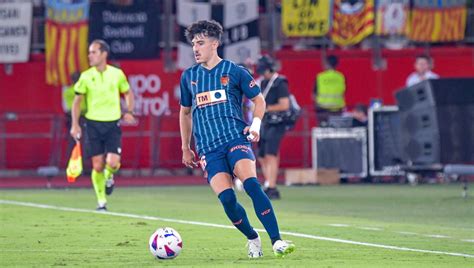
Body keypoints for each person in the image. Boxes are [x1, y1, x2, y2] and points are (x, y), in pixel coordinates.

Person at [179, 20, 295, 258]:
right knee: (228, 199)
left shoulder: (235, 72)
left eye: (200, 43)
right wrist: (185, 147)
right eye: (193, 44)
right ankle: (253, 237)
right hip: (208, 148)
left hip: (235, 139)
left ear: (215, 44)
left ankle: (277, 241)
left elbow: (259, 100)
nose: (195, 48)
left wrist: (255, 124)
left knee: (252, 184)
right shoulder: (189, 76)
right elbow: (185, 112)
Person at [70, 39, 135, 211]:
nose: (89, 55)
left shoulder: (117, 74)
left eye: (93, 52)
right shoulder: (85, 76)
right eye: (89, 52)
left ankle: (109, 177)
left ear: (104, 54)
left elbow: (128, 93)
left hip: (112, 123)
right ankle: (101, 202)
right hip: (92, 125)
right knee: (97, 165)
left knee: (113, 163)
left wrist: (129, 111)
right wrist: (75, 125)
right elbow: (77, 102)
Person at [255, 55, 290, 200]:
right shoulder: (263, 83)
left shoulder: (280, 83)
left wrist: (268, 108)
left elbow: (285, 105)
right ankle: (268, 182)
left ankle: (272, 186)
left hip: (277, 123)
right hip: (265, 122)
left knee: (271, 154)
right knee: (262, 155)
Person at [314, 55, 346, 126]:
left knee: (322, 133)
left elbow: (314, 95)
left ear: (326, 64)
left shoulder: (320, 77)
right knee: (336, 133)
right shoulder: (341, 77)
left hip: (322, 111)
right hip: (337, 111)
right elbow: (343, 92)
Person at [62, 71, 87, 165]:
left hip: (74, 117)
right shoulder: (82, 91)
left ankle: (73, 165)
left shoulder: (68, 91)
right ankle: (82, 166)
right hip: (79, 117)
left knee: (73, 142)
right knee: (82, 142)